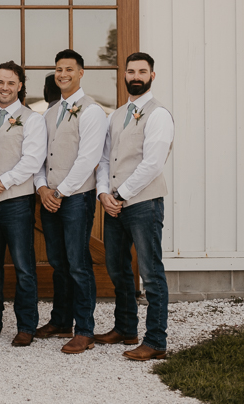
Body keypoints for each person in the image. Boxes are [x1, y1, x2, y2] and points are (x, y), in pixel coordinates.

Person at [95, 52, 174, 361]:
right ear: (124, 75)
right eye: (131, 71)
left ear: (152, 76)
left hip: (143, 203)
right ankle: (126, 327)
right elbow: (103, 159)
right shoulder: (115, 115)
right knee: (116, 267)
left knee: (151, 273)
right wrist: (104, 194)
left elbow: (153, 163)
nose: (136, 76)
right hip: (114, 204)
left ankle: (156, 341)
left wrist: (121, 195)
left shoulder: (158, 114)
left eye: (143, 71)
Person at [34, 49, 108, 354]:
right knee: (58, 263)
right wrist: (41, 189)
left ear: (80, 72)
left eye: (68, 69)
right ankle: (61, 320)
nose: (62, 74)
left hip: (75, 198)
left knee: (78, 264)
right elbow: (38, 157)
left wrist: (60, 192)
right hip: (49, 197)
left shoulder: (91, 111)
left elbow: (88, 159)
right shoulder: (50, 112)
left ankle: (85, 329)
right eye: (58, 69)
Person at [0, 61, 47, 347]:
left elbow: (32, 160)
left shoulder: (32, 119)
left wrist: (1, 182)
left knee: (23, 266)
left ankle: (26, 325)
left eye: (11, 83)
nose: (4, 87)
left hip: (16, 202)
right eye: (0, 82)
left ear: (19, 86)